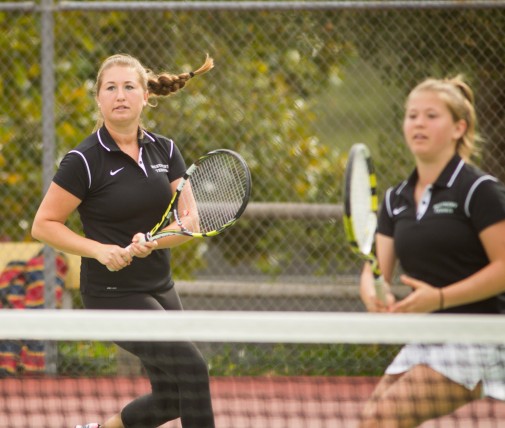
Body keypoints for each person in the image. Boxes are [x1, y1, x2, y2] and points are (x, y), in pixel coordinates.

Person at [31, 53, 215, 428]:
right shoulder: (83, 160)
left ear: (146, 96)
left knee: (172, 397)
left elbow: (190, 219)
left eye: (129, 87)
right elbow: (44, 224)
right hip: (111, 294)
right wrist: (99, 250)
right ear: (98, 98)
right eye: (110, 88)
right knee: (194, 370)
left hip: (160, 286)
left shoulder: (165, 150)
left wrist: (155, 241)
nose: (120, 95)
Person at [358, 75, 505, 427]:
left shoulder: (478, 191)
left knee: (386, 417)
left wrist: (438, 298)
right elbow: (375, 268)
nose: (418, 123)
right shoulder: (395, 200)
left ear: (459, 128)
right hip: (429, 333)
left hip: (483, 334)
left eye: (431, 115)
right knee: (371, 421)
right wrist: (373, 295)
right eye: (412, 115)